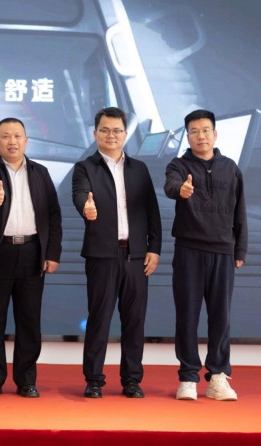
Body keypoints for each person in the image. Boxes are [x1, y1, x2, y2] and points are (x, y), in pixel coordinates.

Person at [0, 117, 62, 398]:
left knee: (29, 321)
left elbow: (54, 214)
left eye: (17, 136)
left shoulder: (40, 172)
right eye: (5, 136)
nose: (12, 141)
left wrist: (52, 252)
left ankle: (26, 380)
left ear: (26, 140)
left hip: (32, 252)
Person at [72, 106, 162, 399]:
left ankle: (132, 380)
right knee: (99, 319)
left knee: (135, 321)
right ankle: (94, 380)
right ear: (95, 133)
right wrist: (86, 207)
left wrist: (154, 248)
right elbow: (79, 194)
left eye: (117, 130)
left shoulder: (139, 169)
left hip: (136, 257)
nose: (111, 135)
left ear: (125, 134)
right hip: (102, 256)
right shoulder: (85, 167)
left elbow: (152, 211)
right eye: (105, 130)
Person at [164, 109, 248, 401]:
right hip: (188, 251)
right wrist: (181, 190)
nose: (201, 136)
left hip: (223, 251)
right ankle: (188, 377)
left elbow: (240, 210)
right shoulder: (178, 165)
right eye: (194, 131)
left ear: (215, 133)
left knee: (221, 317)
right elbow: (170, 186)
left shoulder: (230, 168)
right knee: (187, 315)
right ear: (188, 136)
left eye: (205, 130)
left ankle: (218, 376)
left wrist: (240, 248)